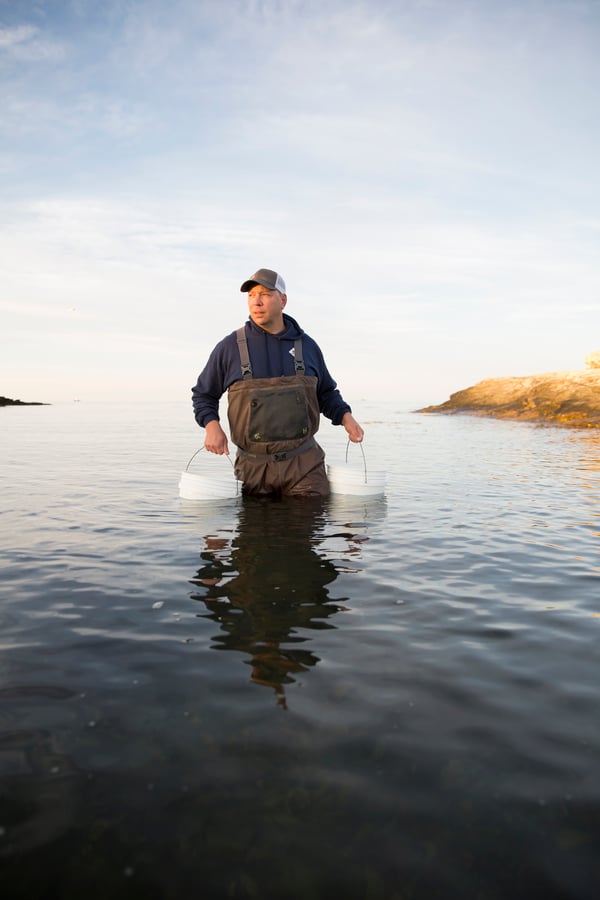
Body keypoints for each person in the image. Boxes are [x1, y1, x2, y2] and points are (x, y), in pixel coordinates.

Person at [191, 267, 364, 496]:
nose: (257, 301)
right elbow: (204, 394)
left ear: (282, 300)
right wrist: (212, 426)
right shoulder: (230, 347)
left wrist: (346, 417)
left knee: (307, 528)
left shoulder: (308, 347)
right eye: (251, 295)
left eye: (265, 294)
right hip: (253, 470)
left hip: (305, 466)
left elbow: (326, 393)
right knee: (257, 531)